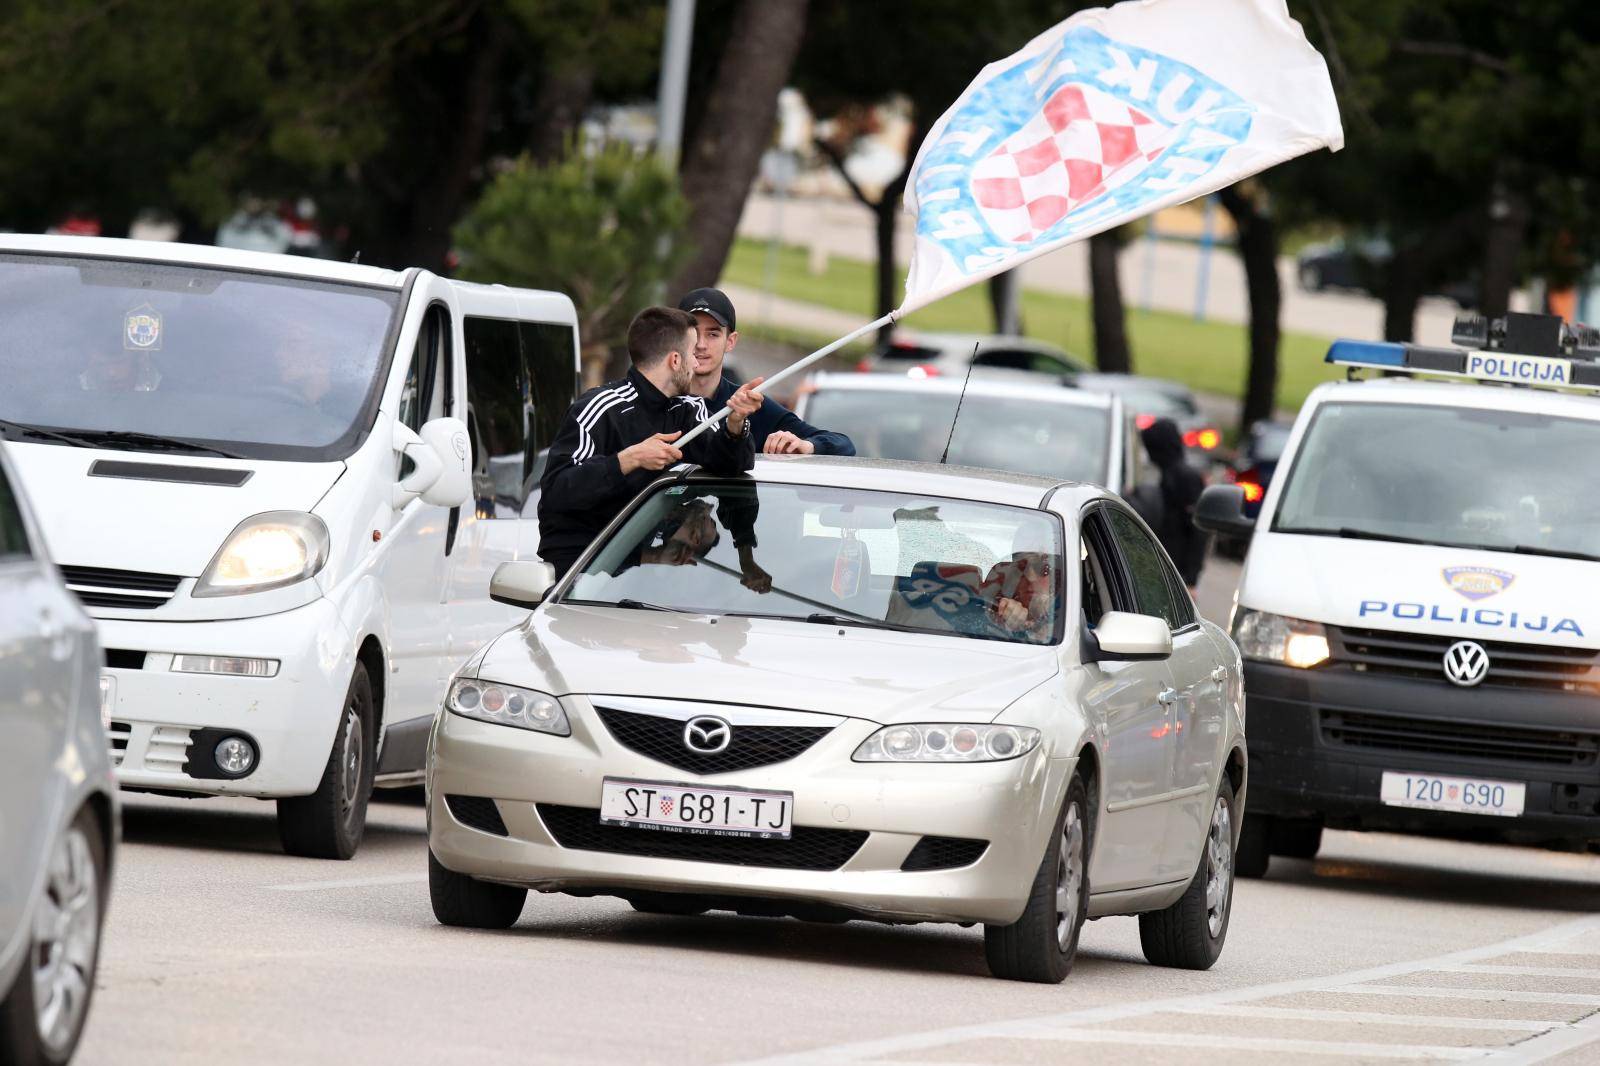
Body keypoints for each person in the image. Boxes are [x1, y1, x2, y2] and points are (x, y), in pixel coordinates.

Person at [536, 306, 762, 580]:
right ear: (675, 360)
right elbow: (556, 493)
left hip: (651, 578)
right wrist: (628, 460)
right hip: (581, 578)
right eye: (692, 354)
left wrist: (736, 424)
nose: (696, 363)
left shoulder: (688, 410)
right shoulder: (599, 407)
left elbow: (733, 466)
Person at [677, 287, 855, 456]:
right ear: (678, 339)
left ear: (730, 341)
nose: (700, 344)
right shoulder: (656, 400)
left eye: (713, 334)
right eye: (693, 333)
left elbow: (844, 445)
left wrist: (806, 445)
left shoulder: (750, 406)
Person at [1140, 417, 1208, 594]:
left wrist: (1191, 579)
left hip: (1176, 571)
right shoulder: (1166, 474)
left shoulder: (1185, 478)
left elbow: (1198, 530)